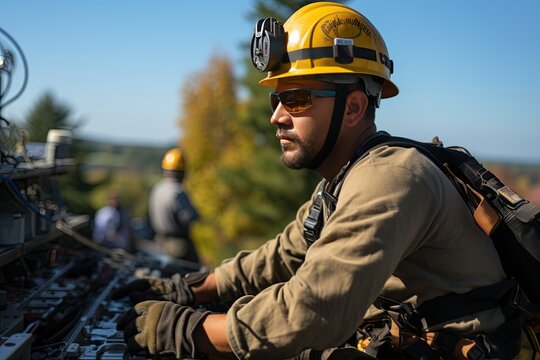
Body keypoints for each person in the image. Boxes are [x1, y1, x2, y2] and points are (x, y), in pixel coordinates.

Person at [113, 3, 522, 359]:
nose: (276, 116)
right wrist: (191, 289)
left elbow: (311, 311)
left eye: (296, 98)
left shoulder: (391, 179)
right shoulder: (345, 178)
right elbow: (283, 254)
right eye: (277, 99)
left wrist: (186, 330)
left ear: (353, 107)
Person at [148, 147, 200, 263]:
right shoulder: (178, 191)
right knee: (196, 276)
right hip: (178, 246)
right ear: (182, 172)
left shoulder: (157, 189)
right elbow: (189, 217)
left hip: (159, 241)